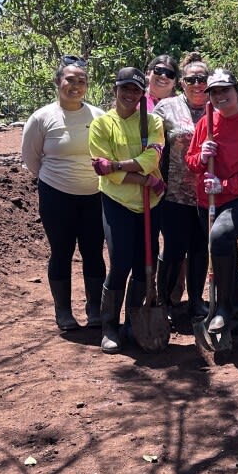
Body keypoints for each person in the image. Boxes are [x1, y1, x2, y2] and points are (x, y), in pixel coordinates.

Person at [21, 55, 106, 333]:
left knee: (94, 251)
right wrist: (55, 180)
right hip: (57, 195)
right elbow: (31, 158)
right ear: (58, 81)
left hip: (95, 195)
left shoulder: (98, 117)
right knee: (62, 251)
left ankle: (95, 308)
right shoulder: (42, 117)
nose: (76, 85)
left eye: (82, 81)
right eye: (70, 79)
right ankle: (63, 311)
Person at [186, 69, 238, 335]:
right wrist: (201, 157)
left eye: (225, 90)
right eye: (214, 92)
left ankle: (222, 307)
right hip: (208, 199)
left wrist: (225, 185)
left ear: (237, 92)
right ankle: (236, 312)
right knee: (224, 251)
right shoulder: (205, 123)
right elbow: (191, 162)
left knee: (220, 237)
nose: (220, 96)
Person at [88, 67, 165, 353]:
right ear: (115, 90)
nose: (130, 95)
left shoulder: (153, 121)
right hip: (118, 200)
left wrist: (119, 165)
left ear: (141, 93)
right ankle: (109, 323)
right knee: (120, 261)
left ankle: (134, 321)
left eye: (135, 90)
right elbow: (103, 170)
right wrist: (144, 178)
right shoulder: (101, 125)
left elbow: (151, 157)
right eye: (125, 89)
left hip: (150, 203)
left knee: (145, 263)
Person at [153, 52, 210, 321]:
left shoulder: (218, 106)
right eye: (191, 79)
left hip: (207, 194)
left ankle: (196, 300)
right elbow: (153, 148)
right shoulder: (166, 108)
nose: (198, 84)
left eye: (203, 79)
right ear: (182, 82)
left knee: (200, 247)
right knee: (174, 247)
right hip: (173, 192)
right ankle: (163, 300)